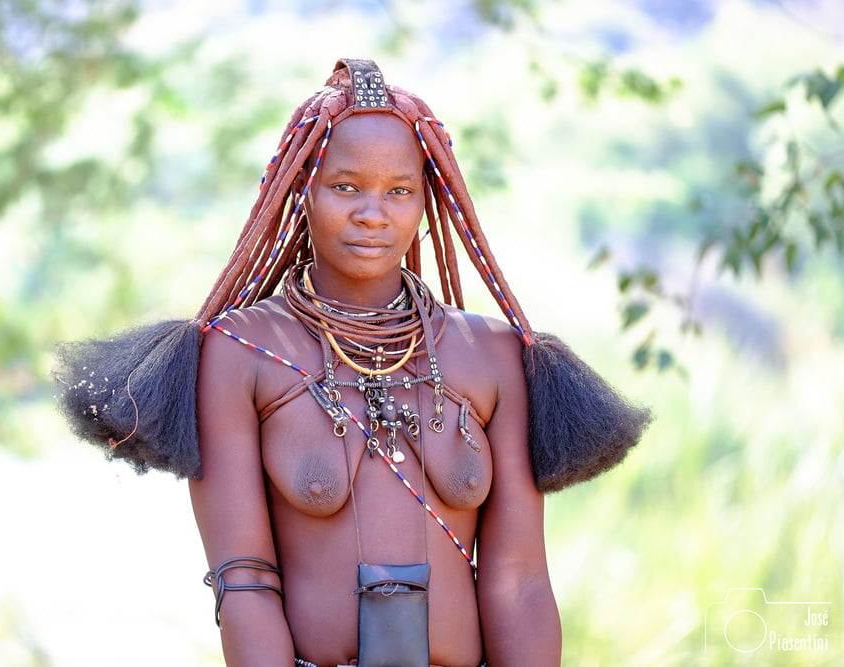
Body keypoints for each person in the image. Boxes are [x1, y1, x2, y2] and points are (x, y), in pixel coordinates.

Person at [56, 59, 650, 667]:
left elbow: (519, 580)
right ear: (301, 191)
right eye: (345, 186)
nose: (374, 213)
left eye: (400, 190)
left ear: (427, 201)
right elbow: (244, 584)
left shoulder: (493, 355)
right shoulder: (238, 352)